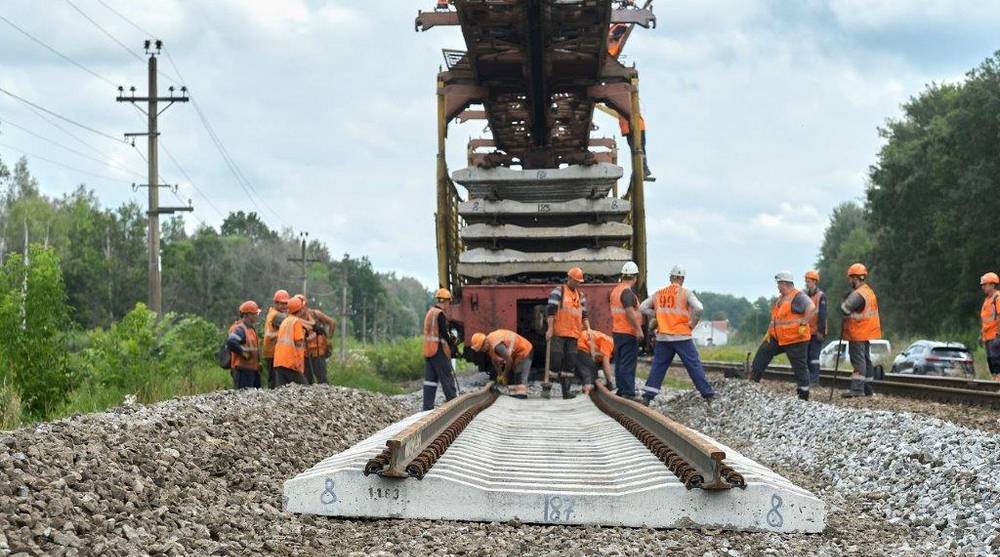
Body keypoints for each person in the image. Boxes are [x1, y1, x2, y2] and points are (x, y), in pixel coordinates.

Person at [639, 265, 715, 404]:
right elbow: (699, 308)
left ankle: (647, 396)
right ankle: (708, 395)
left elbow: (642, 307)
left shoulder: (658, 293)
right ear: (682, 279)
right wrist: (692, 324)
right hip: (682, 336)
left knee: (658, 366)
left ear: (671, 278)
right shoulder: (686, 293)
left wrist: (656, 314)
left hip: (663, 337)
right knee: (693, 365)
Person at [750, 272, 816, 400]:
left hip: (795, 339)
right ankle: (753, 381)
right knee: (763, 353)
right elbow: (776, 320)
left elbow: (811, 308)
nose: (777, 286)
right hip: (778, 338)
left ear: (785, 283)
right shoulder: (780, 299)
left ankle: (803, 395)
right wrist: (768, 333)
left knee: (799, 367)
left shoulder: (798, 296)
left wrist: (804, 322)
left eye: (779, 283)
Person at [546, 267, 592, 399]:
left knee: (570, 363)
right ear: (570, 278)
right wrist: (550, 328)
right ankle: (548, 387)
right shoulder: (558, 291)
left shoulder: (580, 295)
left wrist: (588, 328)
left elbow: (584, 314)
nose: (578, 284)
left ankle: (566, 392)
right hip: (559, 332)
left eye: (579, 282)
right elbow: (551, 310)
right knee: (555, 360)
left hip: (573, 334)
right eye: (576, 281)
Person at [840, 263, 882, 398]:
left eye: (850, 278)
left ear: (854, 278)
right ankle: (868, 389)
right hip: (867, 331)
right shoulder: (868, 291)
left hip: (857, 332)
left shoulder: (858, 294)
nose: (849, 281)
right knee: (865, 359)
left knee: (858, 360)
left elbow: (845, 309)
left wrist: (844, 300)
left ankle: (857, 389)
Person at [610, 261, 643, 400]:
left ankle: (621, 388)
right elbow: (629, 311)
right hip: (628, 332)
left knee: (620, 362)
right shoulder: (627, 292)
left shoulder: (615, 290)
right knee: (628, 363)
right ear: (635, 277)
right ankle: (628, 392)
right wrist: (639, 329)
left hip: (617, 331)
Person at [422, 288, 459, 410]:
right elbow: (444, 333)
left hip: (428, 350)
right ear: (447, 301)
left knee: (430, 380)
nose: (449, 305)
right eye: (449, 302)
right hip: (438, 350)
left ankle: (427, 408)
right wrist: (452, 343)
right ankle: (453, 403)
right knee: (447, 376)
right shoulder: (440, 314)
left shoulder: (430, 312)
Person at [470, 329, 533, 399]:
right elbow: (495, 360)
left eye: (481, 347)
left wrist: (504, 375)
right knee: (515, 371)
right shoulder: (489, 346)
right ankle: (517, 393)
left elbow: (509, 360)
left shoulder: (497, 346)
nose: (481, 350)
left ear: (485, 342)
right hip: (517, 353)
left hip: (525, 350)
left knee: (519, 373)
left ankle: (522, 394)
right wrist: (499, 375)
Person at [296, 295, 336, 385]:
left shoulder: (315, 314)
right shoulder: (295, 319)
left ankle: (326, 396)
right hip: (305, 354)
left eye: (301, 308)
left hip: (318, 353)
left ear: (305, 306)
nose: (300, 311)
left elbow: (332, 323)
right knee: (307, 380)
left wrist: (329, 338)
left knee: (322, 379)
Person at [273, 295, 309, 387]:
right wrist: (298, 364)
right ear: (300, 310)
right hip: (290, 363)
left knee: (282, 392)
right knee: (304, 389)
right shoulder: (296, 322)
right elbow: (298, 343)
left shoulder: (285, 321)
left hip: (279, 361)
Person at [227, 301, 262, 389]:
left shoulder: (250, 329)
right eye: (255, 313)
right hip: (242, 370)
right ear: (248, 315)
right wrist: (244, 353)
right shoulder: (240, 329)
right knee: (243, 398)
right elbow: (231, 342)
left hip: (252, 369)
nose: (257, 316)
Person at [261, 289, 289, 389]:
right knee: (274, 380)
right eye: (282, 304)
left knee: (274, 379)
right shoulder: (276, 315)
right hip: (272, 352)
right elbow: (289, 321)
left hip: (272, 352)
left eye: (286, 304)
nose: (285, 306)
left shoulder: (272, 313)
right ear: (275, 303)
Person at [804, 270, 828, 385]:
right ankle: (809, 380)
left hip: (816, 332)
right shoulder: (805, 295)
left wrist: (821, 331)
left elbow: (822, 315)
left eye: (808, 281)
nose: (807, 283)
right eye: (806, 281)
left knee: (814, 357)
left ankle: (814, 380)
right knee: (808, 357)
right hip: (807, 332)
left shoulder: (821, 296)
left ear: (814, 281)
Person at [576, 329, 615, 395]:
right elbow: (605, 364)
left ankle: (587, 387)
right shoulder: (609, 343)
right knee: (590, 370)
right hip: (581, 345)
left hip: (580, 342)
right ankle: (586, 391)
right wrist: (609, 382)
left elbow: (601, 360)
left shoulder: (609, 341)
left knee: (591, 370)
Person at [978, 272, 1000, 382]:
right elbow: (985, 320)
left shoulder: (998, 297)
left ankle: (998, 380)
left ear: (992, 285)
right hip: (987, 336)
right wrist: (981, 334)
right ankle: (995, 380)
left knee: (996, 359)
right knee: (991, 360)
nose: (983, 287)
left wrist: (998, 334)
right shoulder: (987, 300)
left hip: (995, 335)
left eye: (985, 285)